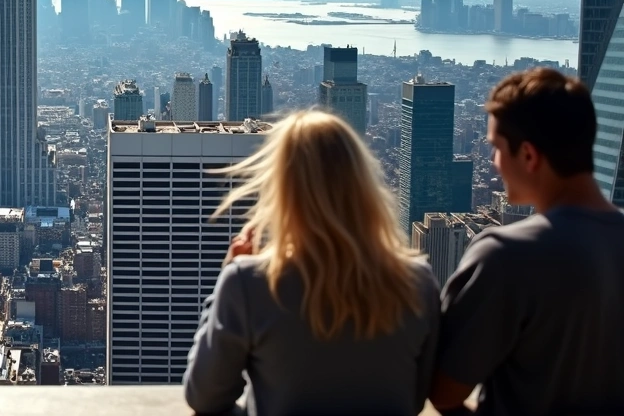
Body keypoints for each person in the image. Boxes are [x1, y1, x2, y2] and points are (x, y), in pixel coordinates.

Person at [184, 110, 440, 416]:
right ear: (363, 184)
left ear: (283, 189)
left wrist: (228, 276)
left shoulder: (249, 284)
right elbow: (415, 398)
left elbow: (203, 396)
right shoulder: (418, 282)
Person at [429, 68, 624, 415]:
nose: (493, 163)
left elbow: (444, 392)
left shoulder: (507, 255)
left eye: (497, 149)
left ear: (529, 156)